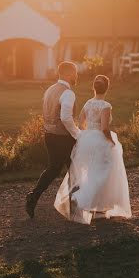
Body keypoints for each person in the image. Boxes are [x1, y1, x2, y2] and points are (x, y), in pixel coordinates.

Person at [54, 74, 131, 224]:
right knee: (104, 173)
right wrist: (112, 142)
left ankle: (96, 207)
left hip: (87, 140)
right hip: (100, 141)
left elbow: (80, 121)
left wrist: (87, 133)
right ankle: (87, 201)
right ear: (107, 88)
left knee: (92, 172)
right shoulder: (105, 106)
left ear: (93, 88)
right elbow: (104, 128)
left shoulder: (88, 103)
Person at [25, 61, 81, 218]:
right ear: (69, 74)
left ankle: (33, 197)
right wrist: (77, 134)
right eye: (75, 72)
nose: (77, 76)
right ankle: (75, 205)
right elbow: (65, 117)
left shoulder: (50, 89)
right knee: (74, 168)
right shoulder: (68, 93)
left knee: (54, 169)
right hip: (63, 137)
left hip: (49, 135)